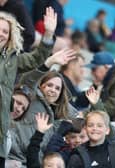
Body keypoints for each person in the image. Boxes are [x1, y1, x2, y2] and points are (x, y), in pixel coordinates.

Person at [0, 7, 57, 167]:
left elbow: (36, 58)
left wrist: (48, 34)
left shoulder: (12, 59)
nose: (1, 34)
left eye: (5, 31)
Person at [8, 71, 78, 166]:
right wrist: (49, 63)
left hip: (32, 162)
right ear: (41, 85)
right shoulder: (33, 98)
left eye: (57, 88)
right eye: (49, 85)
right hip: (15, 157)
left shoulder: (55, 118)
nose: (53, 90)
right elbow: (29, 80)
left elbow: (73, 113)